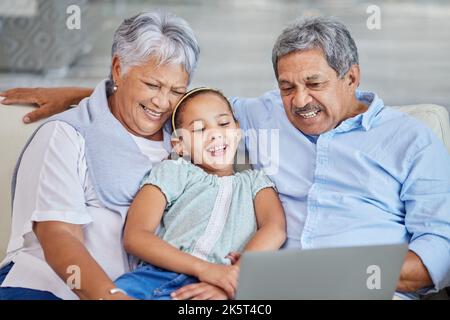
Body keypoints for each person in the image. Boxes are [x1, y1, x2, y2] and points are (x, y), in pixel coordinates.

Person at [2, 17, 450, 300]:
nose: (300, 101)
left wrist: (285, 277)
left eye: (314, 83)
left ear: (352, 76)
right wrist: (87, 95)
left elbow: (436, 258)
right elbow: (175, 103)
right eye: (287, 86)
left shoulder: (411, 140)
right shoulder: (253, 118)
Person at [0, 11, 200, 300]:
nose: (161, 102)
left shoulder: (188, 139)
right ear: (118, 69)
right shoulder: (66, 135)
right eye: (152, 85)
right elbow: (60, 236)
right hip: (47, 288)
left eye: (176, 90)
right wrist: (112, 296)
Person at [113, 87, 286, 300]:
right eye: (199, 129)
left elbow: (275, 229)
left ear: (238, 131)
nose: (215, 134)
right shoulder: (174, 172)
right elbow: (136, 236)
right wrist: (205, 269)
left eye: (223, 124)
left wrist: (236, 276)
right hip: (155, 278)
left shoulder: (256, 182)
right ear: (180, 146)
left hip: (221, 287)